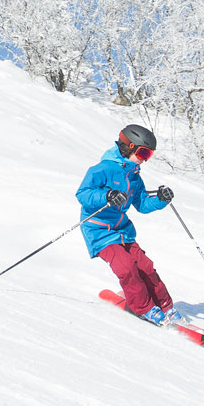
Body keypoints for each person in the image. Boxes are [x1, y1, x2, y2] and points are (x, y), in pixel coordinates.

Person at [76, 124, 178, 322]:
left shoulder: (134, 176)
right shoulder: (103, 169)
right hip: (99, 230)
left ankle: (166, 306)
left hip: (123, 231)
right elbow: (83, 193)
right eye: (143, 153)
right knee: (127, 267)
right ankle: (143, 307)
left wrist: (161, 199)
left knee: (146, 267)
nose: (144, 159)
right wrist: (106, 195)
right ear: (128, 147)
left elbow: (141, 204)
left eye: (149, 155)